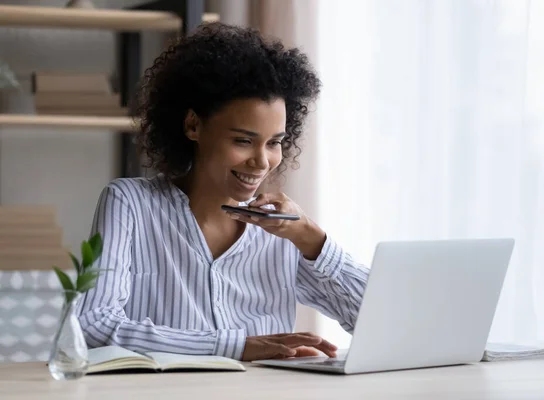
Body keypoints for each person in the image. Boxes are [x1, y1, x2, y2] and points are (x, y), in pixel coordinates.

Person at [77, 22, 369, 361]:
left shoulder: (285, 234)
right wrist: (236, 346)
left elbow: (379, 322)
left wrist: (313, 240)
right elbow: (93, 324)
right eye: (243, 141)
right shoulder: (130, 204)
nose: (262, 161)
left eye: (274, 143)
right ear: (193, 126)